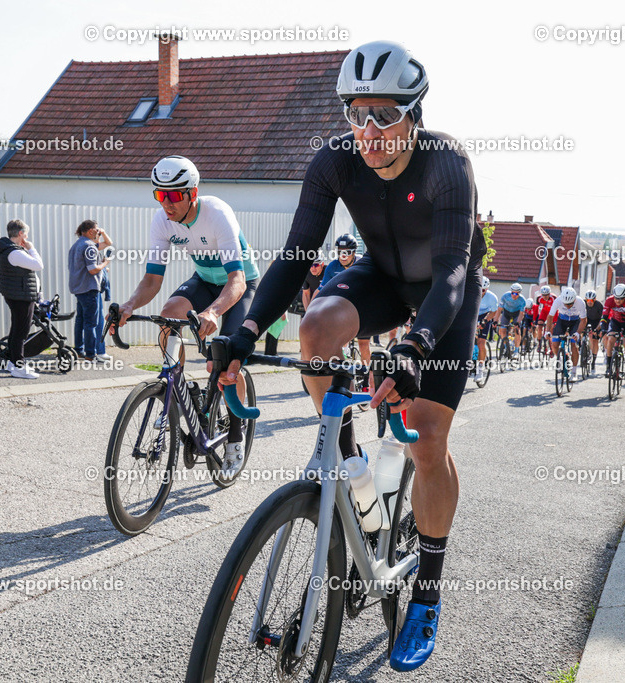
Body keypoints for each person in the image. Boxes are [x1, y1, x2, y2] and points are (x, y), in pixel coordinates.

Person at [214, 40, 483, 671]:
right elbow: (294, 255)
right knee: (315, 328)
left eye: (385, 116)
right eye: (356, 115)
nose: (368, 132)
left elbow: (450, 272)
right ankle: (349, 457)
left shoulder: (447, 163)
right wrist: (246, 331)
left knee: (428, 440)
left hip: (446, 290)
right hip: (384, 277)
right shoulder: (334, 160)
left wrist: (414, 346)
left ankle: (427, 592)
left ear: (414, 114)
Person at [117, 155, 260, 475]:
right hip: (205, 282)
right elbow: (152, 280)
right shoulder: (162, 221)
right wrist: (129, 306)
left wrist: (212, 312)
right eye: (159, 194)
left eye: (173, 195)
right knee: (168, 318)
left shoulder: (218, 213)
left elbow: (236, 280)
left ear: (192, 193)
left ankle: (236, 438)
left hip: (239, 285)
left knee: (226, 359)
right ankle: (175, 391)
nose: (166, 203)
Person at [0, 219, 44, 379]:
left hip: (18, 295)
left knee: (16, 331)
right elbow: (39, 265)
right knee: (21, 333)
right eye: (26, 234)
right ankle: (19, 366)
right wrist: (31, 248)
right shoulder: (15, 252)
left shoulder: (9, 250)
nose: (27, 237)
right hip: (22, 296)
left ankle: (13, 363)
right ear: (21, 234)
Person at [320, 233, 371, 364]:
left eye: (347, 252)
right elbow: (321, 291)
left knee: (363, 345)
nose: (343, 256)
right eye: (340, 252)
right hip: (341, 307)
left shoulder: (362, 264)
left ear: (354, 252)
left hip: (362, 307)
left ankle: (368, 380)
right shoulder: (332, 266)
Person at [68, 220, 112, 362]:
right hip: (89, 288)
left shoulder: (76, 245)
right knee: (91, 323)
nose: (97, 231)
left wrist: (102, 234)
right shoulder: (89, 247)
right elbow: (93, 269)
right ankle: (90, 354)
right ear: (89, 231)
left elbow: (107, 243)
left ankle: (79, 350)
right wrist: (105, 263)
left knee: (80, 320)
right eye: (96, 229)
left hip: (78, 288)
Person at [545, 287, 587, 380]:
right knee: (555, 344)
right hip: (562, 320)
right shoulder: (558, 300)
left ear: (574, 300)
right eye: (565, 304)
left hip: (575, 321)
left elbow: (583, 320)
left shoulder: (580, 302)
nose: (567, 306)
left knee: (573, 345)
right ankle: (560, 360)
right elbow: (550, 317)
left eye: (570, 304)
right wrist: (547, 331)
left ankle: (574, 372)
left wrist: (577, 333)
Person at [601, 283, 625, 380]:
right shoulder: (609, 300)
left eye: (620, 298)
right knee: (610, 340)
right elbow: (604, 318)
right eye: (616, 298)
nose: (617, 301)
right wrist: (604, 329)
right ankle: (608, 367)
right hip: (616, 322)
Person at [475, 277, 499, 380]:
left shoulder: (492, 298)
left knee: (481, 343)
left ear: (487, 289)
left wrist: (485, 321)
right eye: (479, 289)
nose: (480, 292)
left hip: (485, 316)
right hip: (473, 315)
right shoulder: (471, 293)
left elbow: (493, 312)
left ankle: (480, 370)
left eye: (483, 290)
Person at [498, 283, 526, 355]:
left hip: (516, 314)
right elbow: (499, 310)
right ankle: (505, 347)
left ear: (519, 293)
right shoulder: (505, 296)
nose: (514, 295)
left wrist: (518, 322)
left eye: (516, 294)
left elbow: (521, 314)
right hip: (506, 313)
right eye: (513, 293)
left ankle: (516, 351)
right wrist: (495, 320)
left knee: (517, 330)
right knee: (502, 330)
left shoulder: (522, 300)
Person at [583, 289, 604, 372]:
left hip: (597, 322)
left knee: (595, 341)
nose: (589, 302)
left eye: (591, 300)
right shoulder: (583, 304)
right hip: (587, 320)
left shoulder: (599, 305)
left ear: (595, 300)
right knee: (587, 336)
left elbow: (602, 319)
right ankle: (584, 348)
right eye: (588, 300)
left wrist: (597, 329)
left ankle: (594, 359)